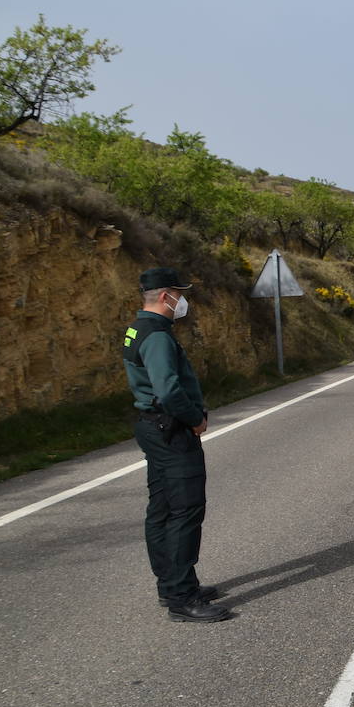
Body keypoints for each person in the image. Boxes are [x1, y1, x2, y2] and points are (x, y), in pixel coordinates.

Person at [121, 267, 229, 623]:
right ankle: (182, 598)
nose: (183, 301)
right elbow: (168, 390)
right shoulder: (157, 336)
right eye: (179, 295)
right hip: (171, 430)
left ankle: (173, 585)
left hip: (153, 427)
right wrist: (195, 418)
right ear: (166, 297)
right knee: (185, 510)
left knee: (163, 508)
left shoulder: (138, 328)